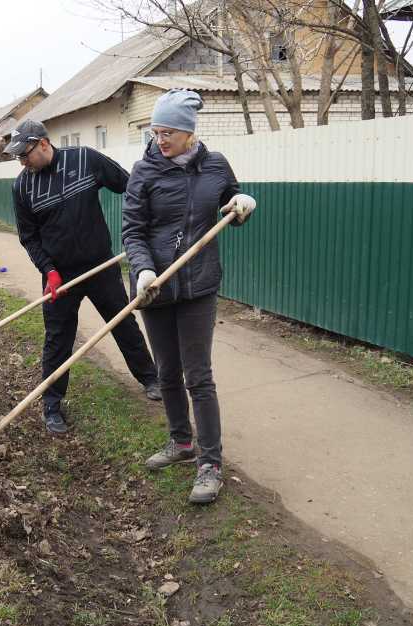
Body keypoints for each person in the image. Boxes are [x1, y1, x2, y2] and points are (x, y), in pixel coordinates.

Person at [122, 90, 256, 504]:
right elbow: (132, 231)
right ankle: (181, 442)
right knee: (166, 372)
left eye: (168, 133)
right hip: (155, 286)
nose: (160, 140)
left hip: (199, 285)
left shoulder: (215, 165)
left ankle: (210, 463)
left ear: (188, 133)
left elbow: (229, 204)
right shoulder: (144, 171)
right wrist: (144, 269)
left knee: (198, 375)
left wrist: (241, 204)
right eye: (155, 132)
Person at [5, 119, 161, 434]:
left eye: (24, 154)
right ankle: (52, 404)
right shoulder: (22, 187)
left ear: (43, 144)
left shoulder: (84, 159)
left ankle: (150, 378)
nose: (21, 162)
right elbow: (29, 238)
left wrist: (147, 223)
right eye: (18, 156)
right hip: (60, 277)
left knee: (123, 323)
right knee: (58, 338)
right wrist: (48, 270)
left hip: (100, 266)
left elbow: (128, 185)